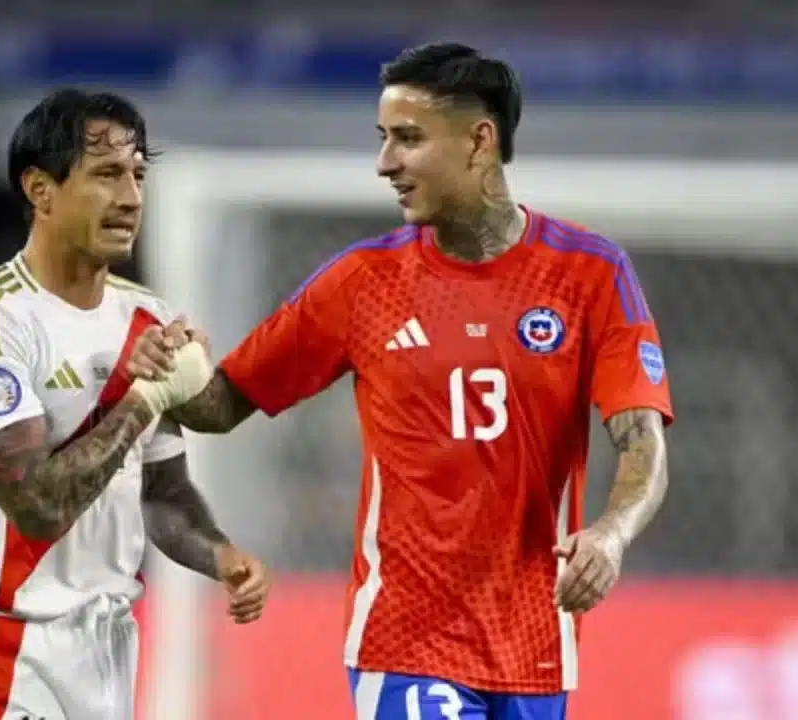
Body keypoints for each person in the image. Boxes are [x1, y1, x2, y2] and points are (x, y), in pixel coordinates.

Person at [130, 43, 673, 720]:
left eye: (409, 140)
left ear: (480, 141)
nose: (386, 163)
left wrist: (611, 534)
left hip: (538, 639)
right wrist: (170, 370)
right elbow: (220, 406)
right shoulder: (362, 284)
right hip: (407, 638)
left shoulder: (590, 274)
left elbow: (642, 439)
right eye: (384, 139)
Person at [0, 88, 270, 720]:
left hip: (109, 644)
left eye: (137, 174)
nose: (132, 198)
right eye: (106, 174)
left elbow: (161, 491)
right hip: (5, 647)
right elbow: (38, 507)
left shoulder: (146, 317)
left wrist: (221, 555)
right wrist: (142, 398)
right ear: (40, 190)